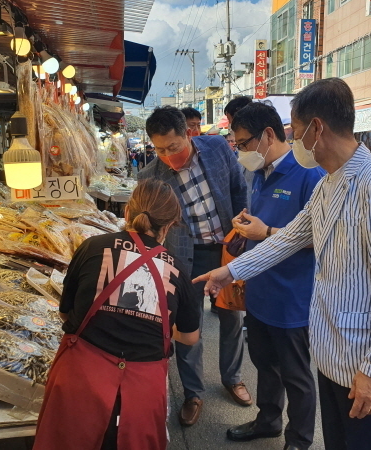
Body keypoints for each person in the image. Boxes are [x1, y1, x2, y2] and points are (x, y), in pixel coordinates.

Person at [194, 78, 371, 450]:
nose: (294, 140)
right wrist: (229, 271)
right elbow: (286, 239)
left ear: (317, 128)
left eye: (296, 132)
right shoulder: (328, 184)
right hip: (334, 354)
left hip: (368, 365)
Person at [34, 179, 200, 450]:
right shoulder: (179, 270)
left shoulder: (92, 247)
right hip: (142, 392)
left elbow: (67, 313)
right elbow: (190, 337)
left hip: (80, 380)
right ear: (169, 226)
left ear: (127, 213)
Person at [138, 106, 249, 427]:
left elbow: (239, 187)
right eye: (159, 150)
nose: (168, 155)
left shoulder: (216, 149)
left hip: (227, 249)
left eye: (174, 147)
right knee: (188, 328)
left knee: (232, 317)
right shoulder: (150, 176)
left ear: (188, 133)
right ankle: (193, 392)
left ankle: (233, 377)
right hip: (185, 257)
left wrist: (242, 232)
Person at [226, 102, 325, 449]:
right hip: (261, 290)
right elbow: (262, 224)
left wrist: (266, 231)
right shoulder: (259, 172)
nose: (240, 152)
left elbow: (319, 237)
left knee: (296, 374)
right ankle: (268, 420)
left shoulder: (310, 174)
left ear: (268, 134)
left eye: (242, 144)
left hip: (293, 295)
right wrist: (247, 228)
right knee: (264, 363)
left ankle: (298, 439)